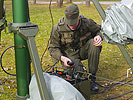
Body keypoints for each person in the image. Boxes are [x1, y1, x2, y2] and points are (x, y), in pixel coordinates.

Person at [48, 4, 102, 93]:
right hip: (69, 55)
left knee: (93, 43)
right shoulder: (58, 28)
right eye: (69, 23)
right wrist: (62, 58)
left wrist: (99, 36)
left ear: (79, 17)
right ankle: (79, 73)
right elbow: (52, 48)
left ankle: (92, 78)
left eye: (74, 23)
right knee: (78, 76)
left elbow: (98, 30)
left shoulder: (86, 22)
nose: (72, 26)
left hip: (83, 50)